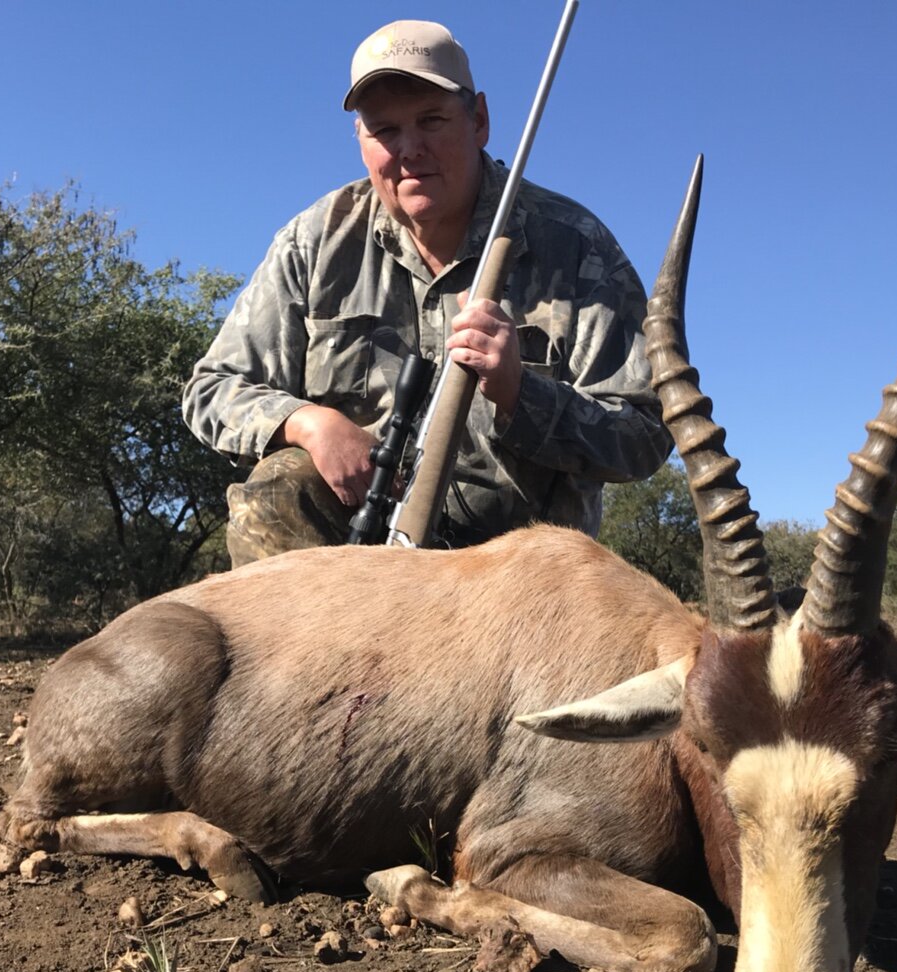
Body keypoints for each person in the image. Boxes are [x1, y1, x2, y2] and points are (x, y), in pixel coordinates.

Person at [184, 19, 672, 566]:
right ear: (361, 140)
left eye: (432, 120)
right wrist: (310, 424)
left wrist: (520, 394)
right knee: (277, 492)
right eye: (384, 130)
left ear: (479, 120)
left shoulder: (576, 246)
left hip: (517, 571)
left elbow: (646, 434)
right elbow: (212, 390)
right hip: (354, 554)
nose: (409, 149)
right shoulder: (313, 242)